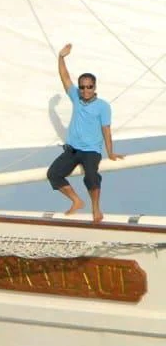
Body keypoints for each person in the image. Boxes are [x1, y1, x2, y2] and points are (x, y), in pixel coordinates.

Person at [46, 44, 123, 223]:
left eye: (89, 87)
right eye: (82, 87)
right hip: (72, 149)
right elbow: (64, 77)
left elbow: (106, 130)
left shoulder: (103, 106)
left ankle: (96, 209)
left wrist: (110, 152)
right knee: (53, 174)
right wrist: (61, 58)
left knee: (91, 177)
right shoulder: (76, 97)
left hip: (91, 151)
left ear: (94, 87)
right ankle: (76, 201)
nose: (85, 90)